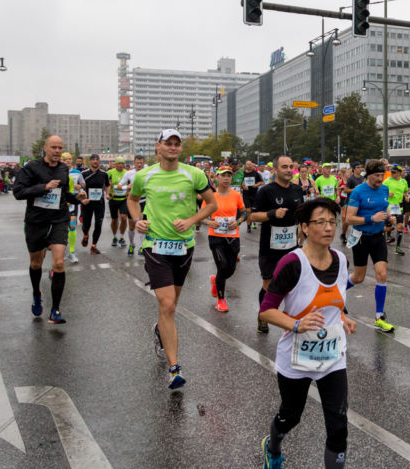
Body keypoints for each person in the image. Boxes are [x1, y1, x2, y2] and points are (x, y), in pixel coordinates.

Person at [258, 197, 356, 469]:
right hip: (296, 357)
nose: (328, 227)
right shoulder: (292, 263)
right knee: (290, 416)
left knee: (339, 426)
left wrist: (343, 317)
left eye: (332, 221)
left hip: (331, 357)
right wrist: (297, 324)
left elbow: (336, 300)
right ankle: (273, 449)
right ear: (304, 227)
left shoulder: (341, 260)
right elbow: (267, 309)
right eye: (320, 222)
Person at [128, 130, 216, 390]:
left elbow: (211, 204)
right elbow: (132, 200)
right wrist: (137, 220)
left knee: (171, 305)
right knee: (166, 305)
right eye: (169, 143)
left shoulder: (194, 174)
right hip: (155, 245)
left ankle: (160, 330)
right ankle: (175, 368)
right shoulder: (145, 175)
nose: (174, 147)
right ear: (159, 146)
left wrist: (190, 221)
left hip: (184, 246)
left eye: (177, 144)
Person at [12, 135, 88, 323]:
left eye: (60, 147)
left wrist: (78, 198)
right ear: (45, 148)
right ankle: (37, 293)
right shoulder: (31, 168)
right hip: (36, 221)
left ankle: (55, 310)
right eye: (53, 147)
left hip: (58, 219)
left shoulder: (64, 168)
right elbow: (18, 192)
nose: (57, 151)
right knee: (36, 264)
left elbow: (63, 194)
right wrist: (43, 187)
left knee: (59, 263)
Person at [249, 155, 306, 334]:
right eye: (284, 167)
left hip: (291, 245)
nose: (289, 170)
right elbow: (253, 216)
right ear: (276, 169)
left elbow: (301, 214)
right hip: (270, 246)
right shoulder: (266, 191)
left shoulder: (297, 190)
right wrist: (272, 213)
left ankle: (292, 317)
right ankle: (263, 315)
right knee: (269, 283)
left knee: (295, 282)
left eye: (291, 166)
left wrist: (302, 231)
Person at [343, 159, 395, 333]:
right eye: (377, 176)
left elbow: (384, 208)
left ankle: (379, 317)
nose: (381, 179)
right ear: (368, 175)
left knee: (382, 274)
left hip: (378, 237)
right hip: (361, 238)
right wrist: (370, 219)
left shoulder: (385, 189)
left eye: (382, 175)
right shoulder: (358, 192)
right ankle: (334, 294)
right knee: (359, 278)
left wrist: (389, 217)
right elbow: (349, 218)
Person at [202, 165, 246, 313]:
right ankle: (221, 300)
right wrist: (209, 222)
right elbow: (201, 216)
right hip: (216, 236)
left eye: (229, 175)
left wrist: (238, 222)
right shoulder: (211, 196)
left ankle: (216, 280)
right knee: (222, 266)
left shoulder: (236, 195)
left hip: (232, 236)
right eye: (223, 175)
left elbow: (244, 213)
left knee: (230, 270)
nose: (226, 178)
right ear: (217, 177)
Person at [80, 154, 110, 254]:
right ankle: (85, 235)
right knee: (86, 224)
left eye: (97, 159)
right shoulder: (84, 173)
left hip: (99, 202)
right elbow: (79, 186)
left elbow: (107, 185)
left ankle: (93, 246)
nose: (95, 161)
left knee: (98, 224)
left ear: (99, 161)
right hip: (87, 202)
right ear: (90, 162)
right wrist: (82, 197)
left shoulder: (103, 174)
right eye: (93, 159)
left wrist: (107, 194)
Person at [119, 154, 147, 255]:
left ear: (143, 163)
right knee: (131, 225)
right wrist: (127, 187)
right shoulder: (129, 173)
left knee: (142, 224)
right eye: (137, 162)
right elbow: (118, 186)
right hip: (132, 202)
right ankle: (131, 244)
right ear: (134, 163)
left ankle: (141, 246)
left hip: (144, 201)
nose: (139, 164)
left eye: (141, 162)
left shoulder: (148, 173)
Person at [381, 165, 408, 256]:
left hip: (399, 208)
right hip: (389, 208)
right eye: (391, 172)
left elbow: (405, 191)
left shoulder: (403, 181)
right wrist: (387, 194)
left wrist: (406, 197)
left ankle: (398, 247)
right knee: (388, 228)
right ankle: (381, 239)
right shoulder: (387, 181)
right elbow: (380, 191)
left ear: (399, 173)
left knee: (400, 227)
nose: (392, 173)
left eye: (394, 172)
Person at [339, 162, 366, 245]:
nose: (360, 169)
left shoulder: (362, 178)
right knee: (347, 221)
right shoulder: (351, 179)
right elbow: (345, 190)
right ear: (354, 169)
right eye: (358, 167)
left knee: (358, 220)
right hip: (350, 202)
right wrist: (354, 189)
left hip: (360, 202)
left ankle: (357, 238)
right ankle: (343, 234)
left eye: (360, 167)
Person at [107, 157, 131, 248]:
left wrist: (129, 189)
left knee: (124, 218)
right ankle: (114, 237)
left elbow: (131, 184)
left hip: (124, 199)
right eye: (119, 163)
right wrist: (109, 188)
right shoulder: (110, 173)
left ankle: (121, 237)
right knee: (114, 220)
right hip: (113, 199)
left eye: (122, 163)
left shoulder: (127, 173)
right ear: (115, 164)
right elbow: (105, 184)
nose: (121, 165)